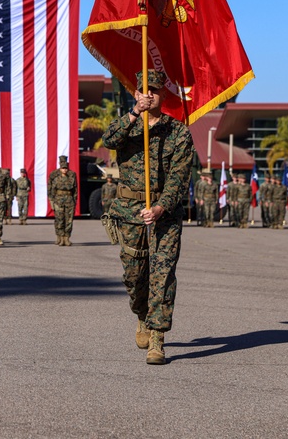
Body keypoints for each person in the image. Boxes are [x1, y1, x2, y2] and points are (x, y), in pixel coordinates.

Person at [101, 70, 193, 366]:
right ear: (136, 94)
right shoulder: (128, 126)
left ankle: (157, 336)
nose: (149, 94)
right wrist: (133, 115)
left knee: (162, 275)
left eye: (154, 90)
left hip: (164, 215)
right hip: (129, 213)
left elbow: (179, 179)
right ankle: (142, 314)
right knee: (134, 276)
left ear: (164, 95)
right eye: (143, 90)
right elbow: (109, 140)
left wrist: (160, 207)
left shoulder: (178, 132)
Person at [48, 155, 78, 246]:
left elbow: (75, 189)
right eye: (62, 166)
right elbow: (51, 188)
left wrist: (75, 200)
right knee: (59, 219)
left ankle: (66, 238)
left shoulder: (72, 175)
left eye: (65, 167)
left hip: (69, 200)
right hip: (58, 200)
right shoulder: (54, 175)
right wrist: (51, 200)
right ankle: (59, 237)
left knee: (69, 220)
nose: (64, 169)